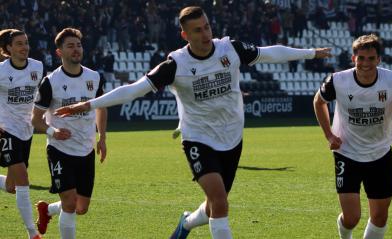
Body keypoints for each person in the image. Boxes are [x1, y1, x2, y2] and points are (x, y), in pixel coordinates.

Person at [54, 6, 331, 239]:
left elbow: (269, 52)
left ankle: (185, 223)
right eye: (197, 30)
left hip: (232, 137)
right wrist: (89, 104)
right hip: (197, 138)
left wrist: (309, 53)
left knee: (213, 206)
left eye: (207, 27)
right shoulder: (176, 64)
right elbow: (134, 89)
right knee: (221, 203)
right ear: (185, 34)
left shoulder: (230, 48)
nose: (206, 34)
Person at [313, 34, 392, 239]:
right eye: (361, 58)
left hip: (380, 154)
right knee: (352, 217)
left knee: (380, 216)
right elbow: (318, 102)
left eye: (371, 58)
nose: (366, 63)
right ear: (354, 59)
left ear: (379, 59)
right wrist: (329, 135)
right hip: (346, 153)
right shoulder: (337, 80)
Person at [31, 28, 107, 239]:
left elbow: (101, 106)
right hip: (59, 150)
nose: (76, 50)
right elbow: (35, 119)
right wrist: (53, 132)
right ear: (59, 52)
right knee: (70, 203)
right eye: (70, 46)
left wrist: (102, 138)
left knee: (81, 207)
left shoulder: (94, 77)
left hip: (86, 149)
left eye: (78, 45)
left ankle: (47, 210)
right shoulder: (50, 82)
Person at [0, 29, 43, 239]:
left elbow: (41, 98)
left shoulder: (37, 67)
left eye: (26, 43)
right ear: (8, 48)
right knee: (23, 180)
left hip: (27, 130)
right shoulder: (1, 70)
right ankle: (32, 233)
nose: (24, 47)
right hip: (5, 130)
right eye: (19, 43)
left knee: (11, 186)